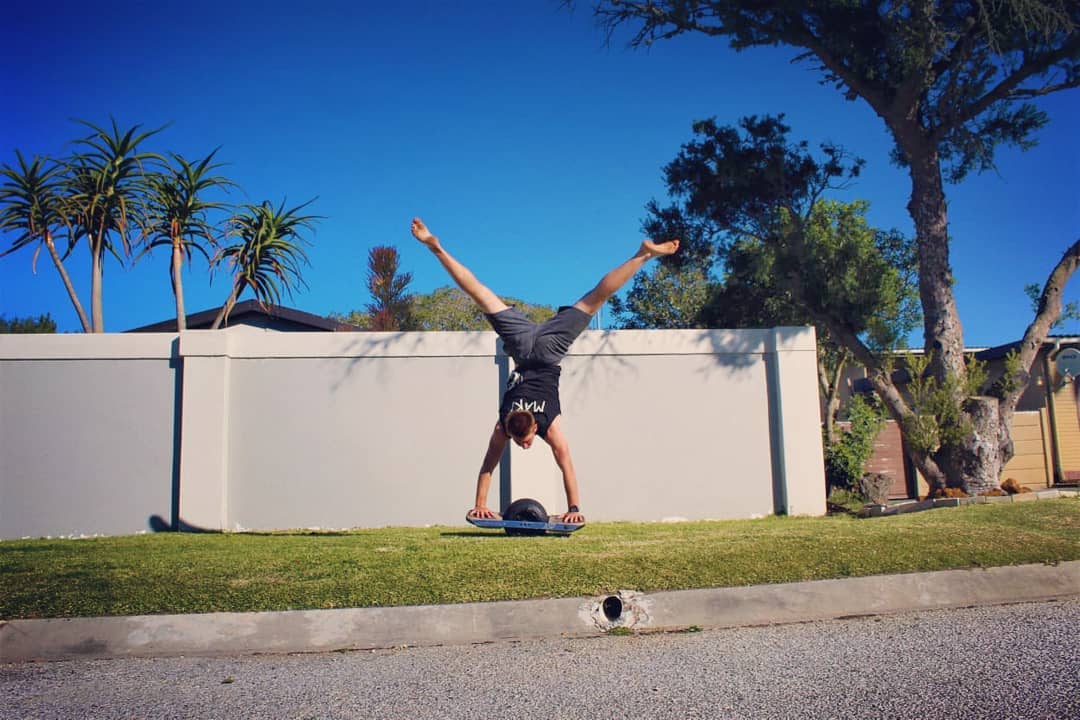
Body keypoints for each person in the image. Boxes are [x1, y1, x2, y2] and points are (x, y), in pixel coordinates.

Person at [411, 217, 679, 525]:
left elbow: (505, 464)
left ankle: (438, 249)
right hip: (526, 347)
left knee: (491, 295)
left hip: (538, 352)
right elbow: (546, 464)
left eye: (523, 442)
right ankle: (642, 254)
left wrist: (572, 509)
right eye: (522, 441)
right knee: (583, 298)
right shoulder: (507, 425)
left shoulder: (534, 427)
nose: (525, 445)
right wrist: (484, 506)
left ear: (532, 429)